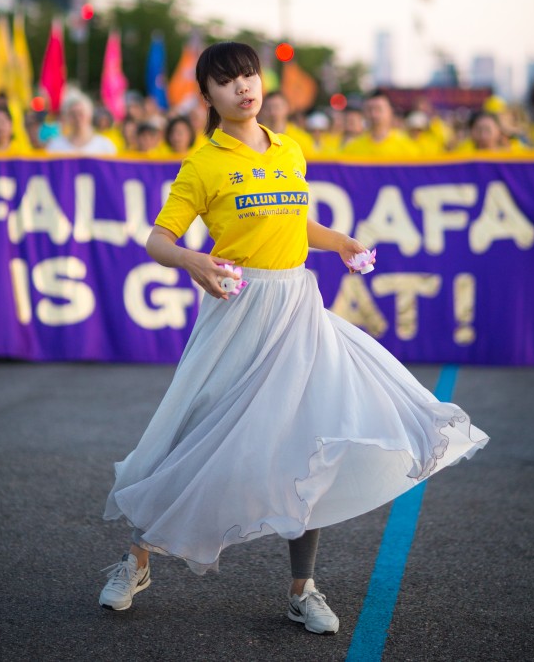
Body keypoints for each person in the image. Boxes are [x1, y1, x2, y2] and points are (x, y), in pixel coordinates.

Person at [98, 41, 488, 635]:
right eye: (226, 81)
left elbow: (294, 221)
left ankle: (302, 589)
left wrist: (341, 242)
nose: (242, 87)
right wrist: (191, 260)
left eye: (248, 75)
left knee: (309, 441)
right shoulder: (204, 163)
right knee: (190, 439)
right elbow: (157, 238)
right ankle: (137, 560)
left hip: (297, 307)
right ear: (207, 97)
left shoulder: (290, 149)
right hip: (236, 311)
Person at [46, 91, 117, 155]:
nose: (77, 118)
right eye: (72, 114)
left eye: (81, 113)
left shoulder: (104, 146)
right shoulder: (55, 146)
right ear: (66, 117)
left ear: (90, 114)